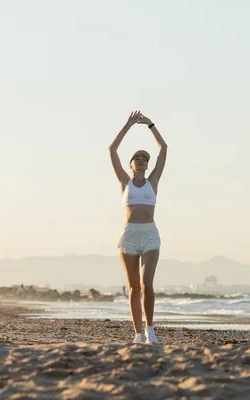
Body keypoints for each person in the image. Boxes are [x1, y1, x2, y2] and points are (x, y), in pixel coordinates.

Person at [109, 110, 168, 344]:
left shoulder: (153, 182)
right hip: (129, 235)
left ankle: (150, 329)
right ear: (131, 164)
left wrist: (150, 124)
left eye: (145, 158)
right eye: (138, 158)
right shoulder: (124, 182)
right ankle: (137, 333)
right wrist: (128, 125)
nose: (142, 160)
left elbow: (163, 149)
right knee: (134, 287)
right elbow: (112, 150)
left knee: (147, 283)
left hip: (150, 235)